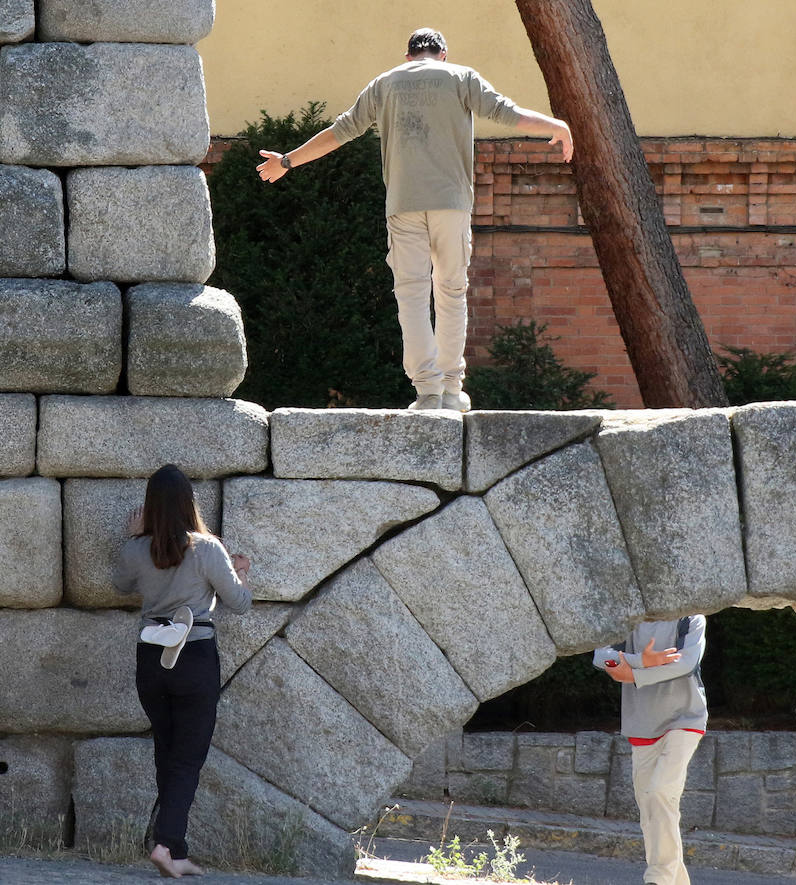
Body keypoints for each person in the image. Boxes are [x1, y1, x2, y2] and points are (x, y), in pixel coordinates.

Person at [256, 27, 574, 412]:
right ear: (442, 54)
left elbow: (340, 132)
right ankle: (453, 391)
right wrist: (555, 125)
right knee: (452, 293)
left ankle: (428, 393)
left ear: (408, 57)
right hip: (452, 204)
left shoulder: (384, 84)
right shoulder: (461, 77)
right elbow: (508, 113)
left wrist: (287, 161)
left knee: (411, 297)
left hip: (404, 205)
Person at [112, 464, 252, 878]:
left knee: (168, 750)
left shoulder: (137, 549)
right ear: (190, 502)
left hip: (150, 659)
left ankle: (175, 849)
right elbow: (239, 603)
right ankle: (163, 844)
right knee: (188, 758)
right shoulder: (207, 548)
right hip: (193, 658)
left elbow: (121, 585)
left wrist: (135, 539)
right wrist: (241, 572)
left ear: (150, 506)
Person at [594, 616, 707, 885]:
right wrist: (643, 661)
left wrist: (633, 673)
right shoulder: (629, 618)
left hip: (685, 719)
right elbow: (602, 658)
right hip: (642, 725)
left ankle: (657, 879)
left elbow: (687, 662)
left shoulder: (691, 618)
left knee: (660, 792)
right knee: (652, 810)